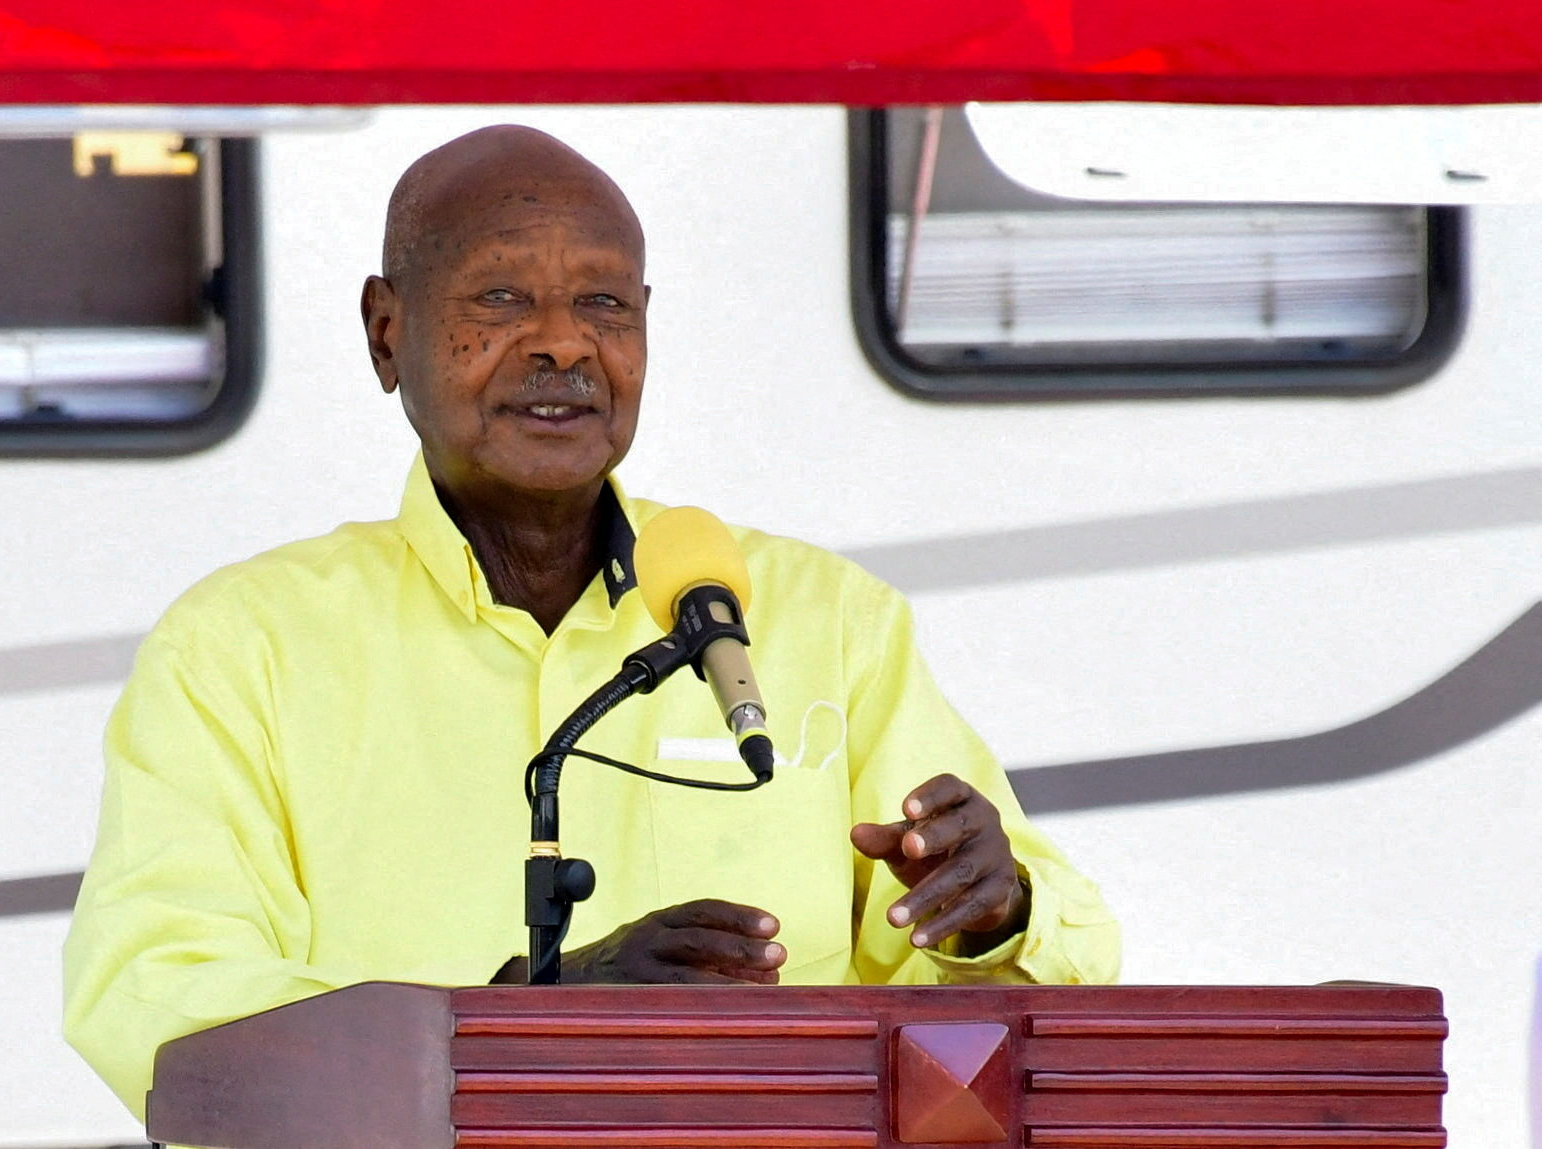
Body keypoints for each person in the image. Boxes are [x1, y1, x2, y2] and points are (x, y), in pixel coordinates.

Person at [62, 125, 1120, 1118]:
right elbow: (160, 1001)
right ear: (389, 334)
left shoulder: (826, 621)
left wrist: (994, 915)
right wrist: (523, 1016)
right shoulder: (243, 646)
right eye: (503, 296)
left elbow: (1040, 975)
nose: (562, 343)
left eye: (606, 305)